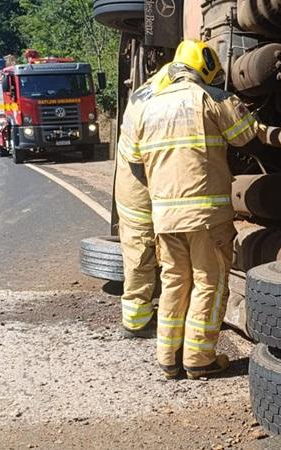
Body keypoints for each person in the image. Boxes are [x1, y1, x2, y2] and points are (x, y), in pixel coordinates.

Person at [122, 40, 266, 379]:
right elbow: (247, 137)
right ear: (205, 69)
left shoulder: (146, 105)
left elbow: (134, 160)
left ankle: (168, 358)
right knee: (209, 282)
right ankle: (199, 359)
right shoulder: (210, 98)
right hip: (205, 216)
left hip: (165, 217)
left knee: (174, 281)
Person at [115, 64, 171, 338]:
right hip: (138, 193)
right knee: (140, 254)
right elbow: (139, 158)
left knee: (145, 253)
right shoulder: (148, 105)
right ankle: (136, 322)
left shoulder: (146, 94)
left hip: (140, 188)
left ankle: (143, 313)